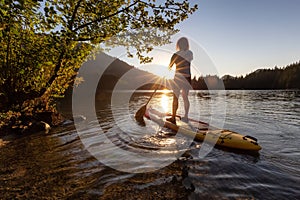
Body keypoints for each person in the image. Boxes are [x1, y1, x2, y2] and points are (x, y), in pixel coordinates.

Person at [166, 37, 193, 124]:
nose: (182, 45)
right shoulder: (186, 53)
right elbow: (170, 66)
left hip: (181, 78)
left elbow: (170, 66)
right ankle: (180, 117)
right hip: (183, 78)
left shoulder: (181, 53)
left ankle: (179, 117)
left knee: (180, 97)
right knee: (180, 97)